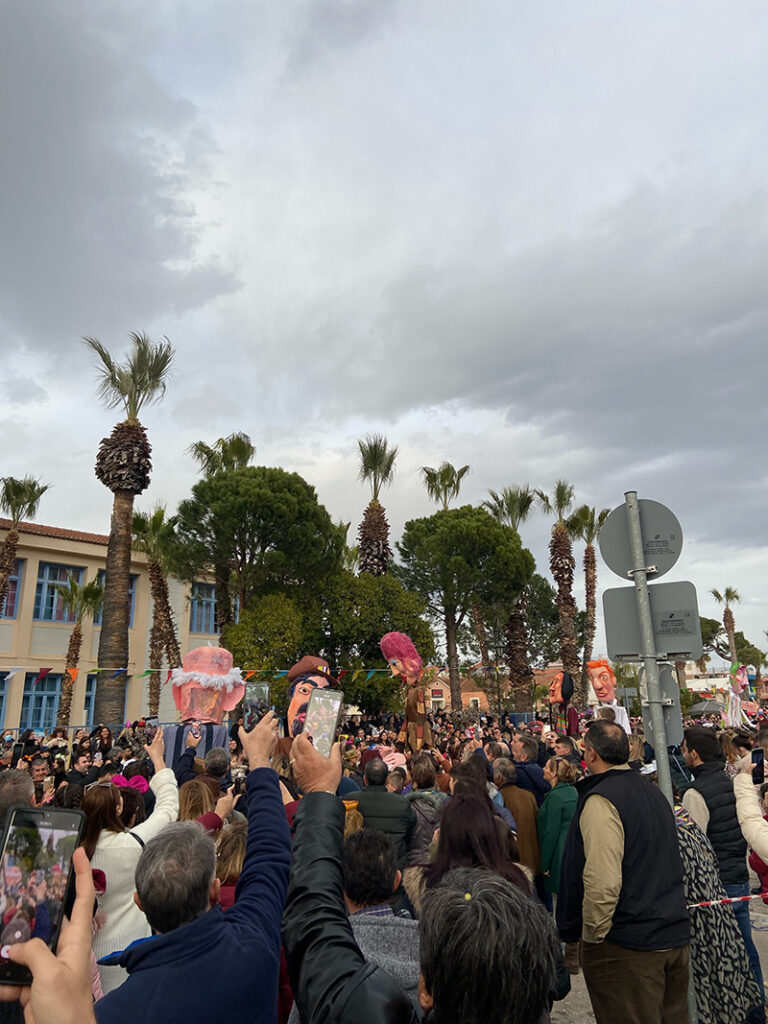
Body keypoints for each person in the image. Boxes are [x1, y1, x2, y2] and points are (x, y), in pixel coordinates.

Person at [283, 732, 561, 1024]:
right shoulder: (521, 913)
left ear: (425, 990)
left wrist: (319, 793)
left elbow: (313, 930)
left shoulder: (372, 1003)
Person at [95, 711, 291, 1024]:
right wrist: (260, 761)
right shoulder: (251, 949)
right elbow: (269, 856)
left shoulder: (109, 1013)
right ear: (215, 891)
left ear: (139, 901)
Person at [557, 721, 689, 1024]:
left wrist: (592, 938)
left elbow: (603, 882)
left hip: (628, 944)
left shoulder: (602, 799)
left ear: (590, 753)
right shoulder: (652, 792)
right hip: (668, 934)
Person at [82, 728, 179, 996]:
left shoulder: (74, 850)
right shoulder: (132, 844)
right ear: (117, 809)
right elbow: (169, 809)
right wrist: (158, 760)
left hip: (85, 955)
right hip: (128, 951)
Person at [681, 727, 764, 1019]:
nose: (682, 753)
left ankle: (741, 1013)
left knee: (724, 956)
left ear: (694, 753)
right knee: (745, 950)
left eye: (684, 748)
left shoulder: (695, 792)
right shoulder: (731, 781)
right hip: (738, 875)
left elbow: (695, 846)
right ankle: (756, 1010)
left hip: (716, 886)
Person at [354, 759, 415, 868]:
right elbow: (411, 826)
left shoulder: (352, 800)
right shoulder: (402, 803)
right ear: (387, 779)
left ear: (365, 779)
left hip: (362, 863)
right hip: (393, 863)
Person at [537, 756, 578, 896]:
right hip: (573, 851)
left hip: (558, 855)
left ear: (554, 773)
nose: (543, 769)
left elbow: (551, 832)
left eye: (547, 767)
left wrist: (544, 863)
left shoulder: (555, 797)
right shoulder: (573, 792)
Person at [492, 759, 540, 879]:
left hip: (515, 857)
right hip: (533, 855)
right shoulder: (529, 795)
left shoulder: (500, 798)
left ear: (499, 777)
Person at [586, 660, 631, 734]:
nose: (598, 685)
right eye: (593, 678)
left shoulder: (620, 712)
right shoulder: (597, 709)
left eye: (603, 677)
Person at [510, 733, 550, 806]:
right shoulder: (536, 769)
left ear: (524, 757)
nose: (513, 754)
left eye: (516, 752)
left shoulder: (520, 772)